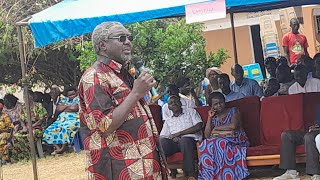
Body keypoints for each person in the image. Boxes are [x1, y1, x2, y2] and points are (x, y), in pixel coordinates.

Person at [78, 21, 166, 179]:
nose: (128, 42)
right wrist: (135, 93)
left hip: (144, 163)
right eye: (121, 38)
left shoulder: (123, 73)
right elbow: (105, 126)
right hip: (119, 167)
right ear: (103, 45)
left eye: (129, 37)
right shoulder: (94, 77)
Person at [198, 92, 250, 180]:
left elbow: (233, 126)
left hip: (237, 138)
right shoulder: (213, 117)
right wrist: (209, 118)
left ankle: (227, 176)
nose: (219, 105)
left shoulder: (233, 111)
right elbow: (207, 135)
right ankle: (209, 176)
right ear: (211, 106)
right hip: (220, 141)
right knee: (205, 144)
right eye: (215, 104)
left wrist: (215, 129)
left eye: (221, 102)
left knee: (219, 142)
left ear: (224, 101)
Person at [160, 95, 203, 179]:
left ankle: (190, 174)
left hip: (190, 140)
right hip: (175, 142)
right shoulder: (168, 120)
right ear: (169, 107)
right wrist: (172, 138)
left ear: (180, 103)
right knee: (162, 142)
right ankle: (163, 173)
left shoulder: (191, 112)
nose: (174, 104)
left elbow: (199, 126)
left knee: (184, 140)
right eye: (171, 103)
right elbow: (163, 136)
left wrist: (179, 134)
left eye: (176, 101)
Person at [43, 86, 80, 155]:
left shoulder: (78, 99)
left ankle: (63, 148)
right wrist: (69, 107)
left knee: (66, 128)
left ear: (76, 94)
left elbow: (75, 108)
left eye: (73, 94)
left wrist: (64, 107)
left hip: (73, 120)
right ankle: (58, 149)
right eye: (70, 95)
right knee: (48, 130)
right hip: (61, 121)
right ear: (67, 95)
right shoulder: (64, 100)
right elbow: (58, 109)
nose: (72, 96)